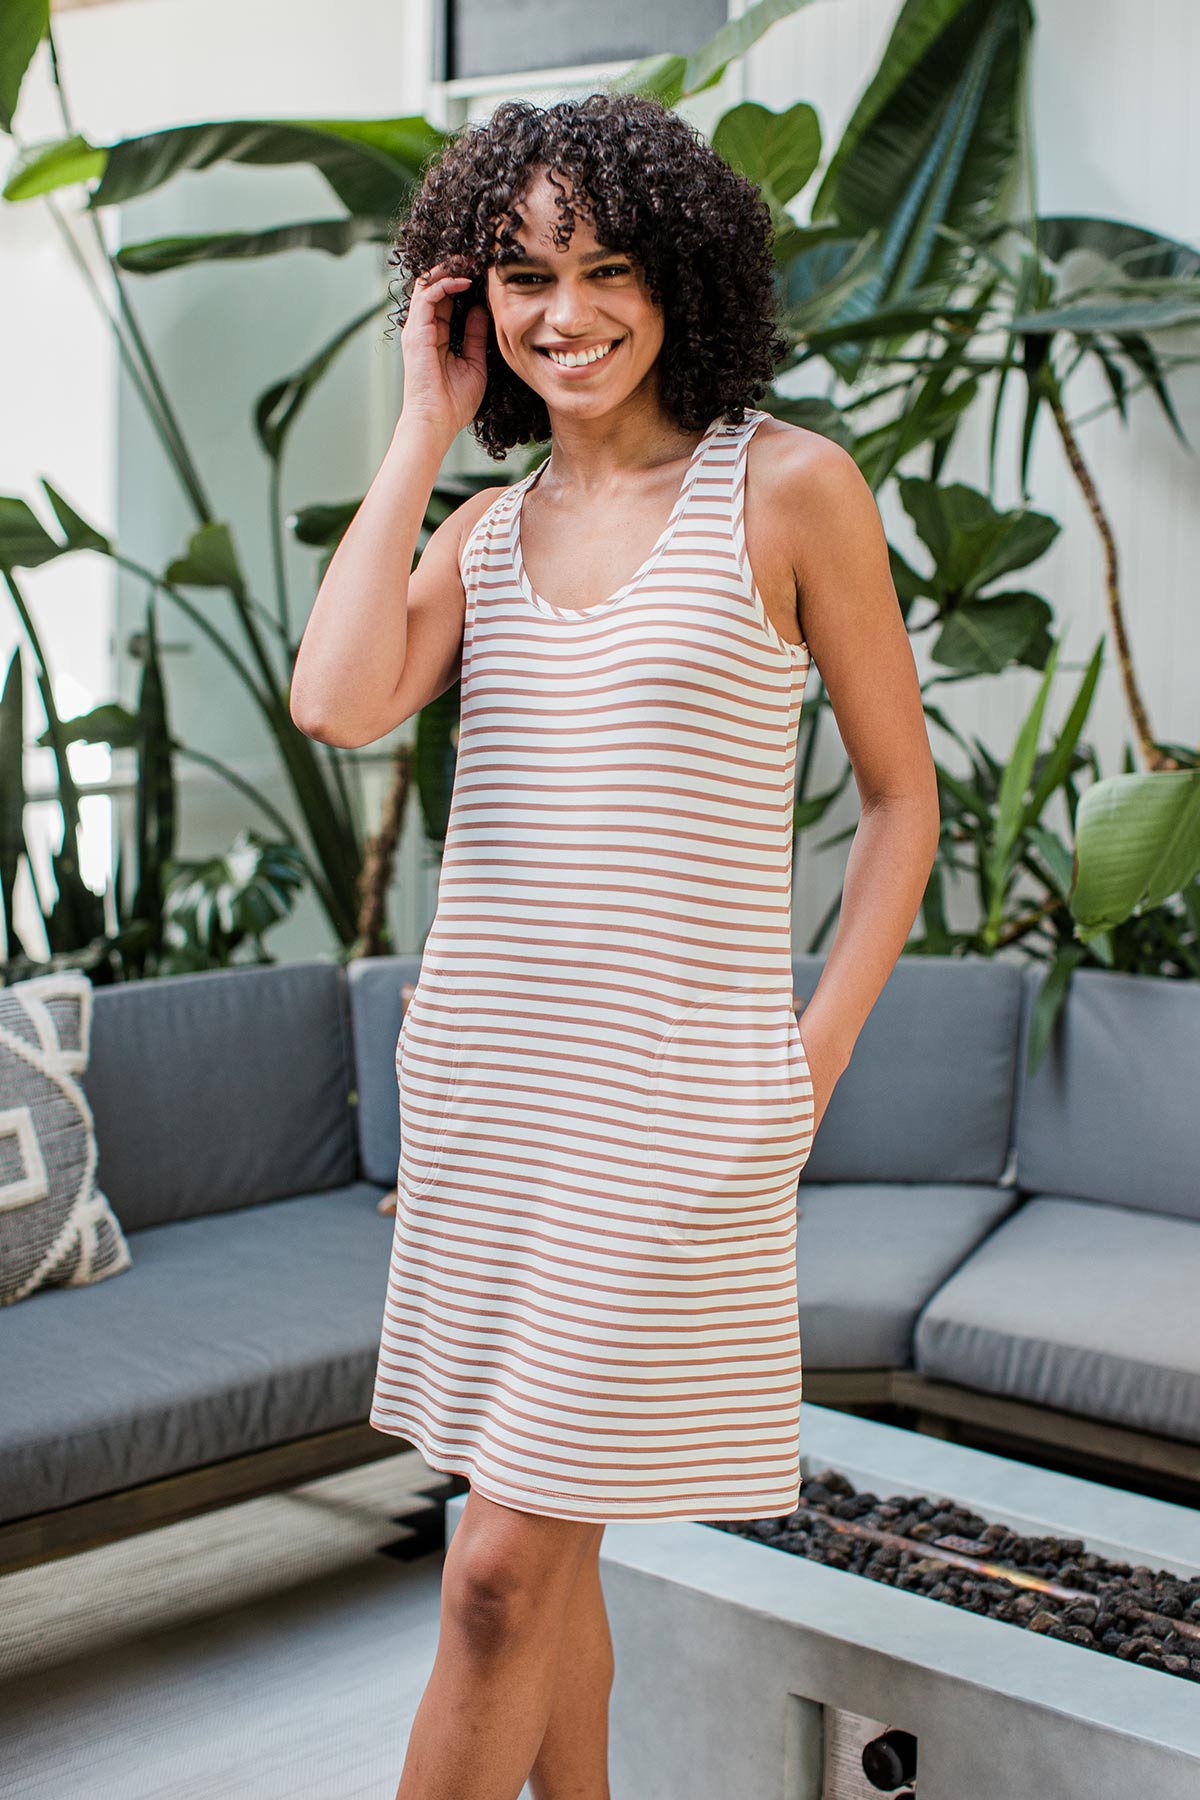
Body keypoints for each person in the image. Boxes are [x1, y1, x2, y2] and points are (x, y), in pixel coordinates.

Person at [290, 89, 939, 1800]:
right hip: (493, 1103)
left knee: (494, 1564)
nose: (563, 313)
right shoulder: (481, 536)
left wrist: (813, 1055)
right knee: (547, 1556)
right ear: (471, 297)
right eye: (520, 275)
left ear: (683, 279)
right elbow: (336, 699)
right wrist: (427, 420)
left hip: (679, 1116)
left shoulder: (791, 492)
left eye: (607, 268)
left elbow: (900, 807)